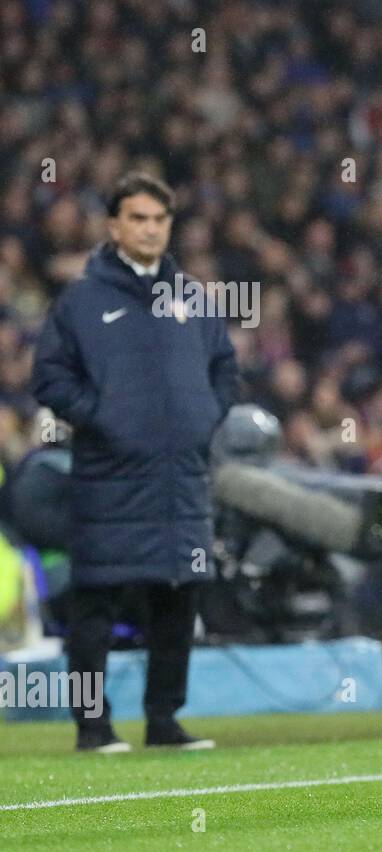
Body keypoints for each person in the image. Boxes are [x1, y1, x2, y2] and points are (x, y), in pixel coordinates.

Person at [32, 172, 239, 752]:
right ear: (114, 225)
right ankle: (92, 727)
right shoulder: (82, 300)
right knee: (95, 602)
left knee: (177, 601)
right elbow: (48, 376)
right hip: (109, 479)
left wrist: (205, 418)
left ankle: (163, 721)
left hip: (182, 480)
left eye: (160, 219)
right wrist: (102, 418)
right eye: (139, 218)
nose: (150, 229)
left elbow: (226, 367)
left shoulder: (193, 298)